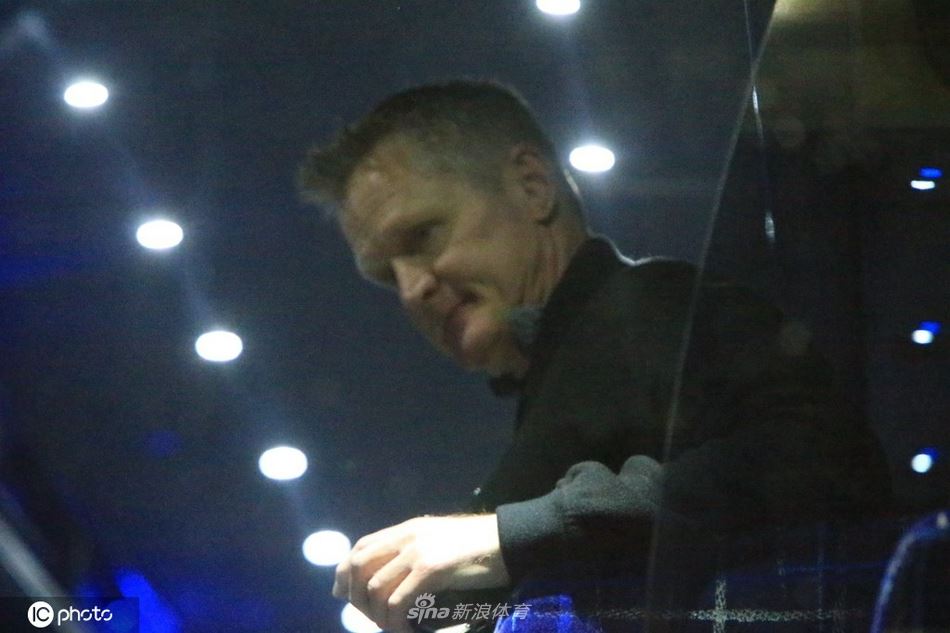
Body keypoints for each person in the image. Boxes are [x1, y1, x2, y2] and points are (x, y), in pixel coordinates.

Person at [298, 81, 893, 633]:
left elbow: (821, 458)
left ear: (532, 186)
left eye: (423, 235)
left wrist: (509, 535)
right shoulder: (584, 353)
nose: (411, 290)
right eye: (387, 275)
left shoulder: (649, 307)